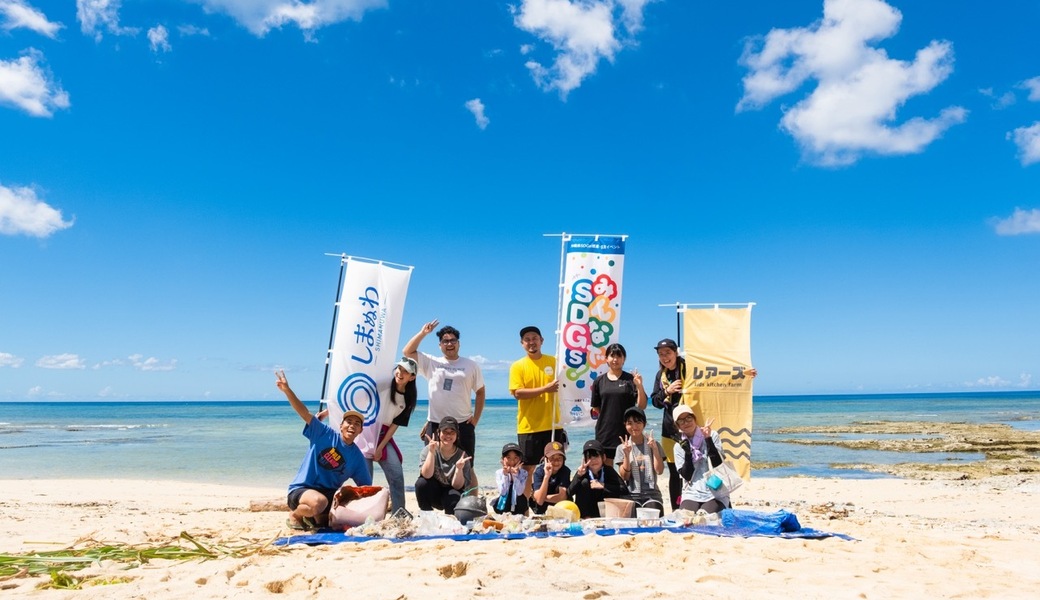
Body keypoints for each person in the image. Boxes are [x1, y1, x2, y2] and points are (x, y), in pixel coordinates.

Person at [276, 370, 372, 530]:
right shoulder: (324, 433)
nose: (352, 426)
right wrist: (287, 390)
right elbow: (303, 412)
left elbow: (365, 487)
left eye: (357, 424)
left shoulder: (357, 457)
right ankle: (296, 515)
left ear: (360, 431)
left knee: (332, 518)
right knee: (319, 502)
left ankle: (316, 518)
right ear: (341, 426)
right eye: (349, 421)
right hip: (302, 490)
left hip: (328, 496)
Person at [403, 320, 485, 461]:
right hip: (435, 423)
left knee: (466, 465)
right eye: (445, 341)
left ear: (459, 343)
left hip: (463, 423)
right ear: (440, 345)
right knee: (431, 464)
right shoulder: (432, 362)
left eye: (453, 340)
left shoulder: (471, 365)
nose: (449, 344)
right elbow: (407, 352)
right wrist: (423, 333)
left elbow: (480, 392)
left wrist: (476, 419)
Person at [508, 325, 564, 496]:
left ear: (542, 341)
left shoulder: (555, 361)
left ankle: (548, 502)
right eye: (527, 339)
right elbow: (518, 393)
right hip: (529, 426)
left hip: (553, 424)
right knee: (528, 468)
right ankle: (525, 504)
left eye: (534, 338)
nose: (531, 342)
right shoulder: (518, 366)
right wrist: (545, 389)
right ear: (522, 343)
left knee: (555, 466)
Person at [368, 357, 418, 514]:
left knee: (396, 474)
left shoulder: (408, 400)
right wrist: (329, 411)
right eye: (399, 368)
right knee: (365, 479)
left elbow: (393, 426)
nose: (400, 373)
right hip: (365, 433)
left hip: (383, 435)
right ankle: (365, 515)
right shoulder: (383, 385)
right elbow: (358, 399)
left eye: (406, 372)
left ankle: (399, 513)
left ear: (412, 377)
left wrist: (380, 447)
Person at [590, 343, 647, 466]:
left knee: (628, 469)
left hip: (628, 431)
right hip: (605, 432)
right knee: (607, 470)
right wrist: (609, 416)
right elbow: (596, 407)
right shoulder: (599, 381)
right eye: (612, 356)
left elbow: (642, 406)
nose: (615, 359)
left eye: (619, 356)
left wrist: (639, 386)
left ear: (624, 359)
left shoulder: (631, 380)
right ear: (606, 358)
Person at [649, 338, 685, 511]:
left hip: (690, 429)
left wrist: (742, 374)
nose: (665, 357)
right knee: (674, 472)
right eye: (661, 354)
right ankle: (676, 510)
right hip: (669, 430)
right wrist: (667, 391)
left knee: (694, 469)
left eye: (668, 353)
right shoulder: (660, 375)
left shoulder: (689, 368)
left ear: (676, 353)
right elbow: (655, 401)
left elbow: (712, 380)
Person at [672, 405, 728, 514]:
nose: (686, 423)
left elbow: (718, 465)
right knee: (685, 517)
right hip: (691, 492)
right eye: (681, 421)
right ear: (677, 425)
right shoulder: (679, 446)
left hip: (715, 491)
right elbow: (687, 476)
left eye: (689, 418)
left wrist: (708, 439)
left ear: (695, 419)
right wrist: (688, 453)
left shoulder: (712, 435)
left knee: (703, 516)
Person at [414, 416, 473, 514]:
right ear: (438, 432)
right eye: (445, 432)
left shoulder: (462, 456)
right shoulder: (428, 450)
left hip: (452, 494)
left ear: (457, 435)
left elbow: (458, 486)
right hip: (434, 492)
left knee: (452, 498)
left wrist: (459, 469)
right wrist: (431, 452)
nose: (448, 435)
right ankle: (427, 515)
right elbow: (426, 475)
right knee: (421, 484)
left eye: (452, 432)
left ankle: (451, 520)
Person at [613, 406, 665, 514]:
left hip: (652, 494)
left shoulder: (654, 444)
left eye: (638, 422)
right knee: (633, 514)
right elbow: (625, 477)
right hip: (631, 495)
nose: (634, 426)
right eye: (630, 423)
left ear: (644, 424)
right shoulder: (621, 448)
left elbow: (659, 471)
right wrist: (627, 455)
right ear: (625, 425)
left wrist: (655, 449)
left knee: (653, 512)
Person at [568, 440, 628, 518]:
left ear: (604, 457)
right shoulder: (582, 472)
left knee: (612, 488)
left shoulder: (608, 470)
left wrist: (603, 485)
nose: (593, 460)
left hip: (605, 512)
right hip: (586, 514)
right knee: (584, 482)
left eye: (596, 456)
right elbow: (569, 493)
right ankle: (585, 516)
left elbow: (624, 490)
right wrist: (578, 476)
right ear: (585, 460)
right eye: (589, 457)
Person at [531, 440, 571, 515]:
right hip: (542, 510)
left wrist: (543, 497)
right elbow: (539, 501)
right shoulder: (539, 472)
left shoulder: (565, 471)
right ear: (546, 459)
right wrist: (546, 476)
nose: (556, 462)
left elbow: (562, 497)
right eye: (552, 458)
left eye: (559, 458)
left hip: (560, 509)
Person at [492, 442, 529, 515]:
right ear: (503, 459)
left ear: (520, 459)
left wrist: (515, 476)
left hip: (518, 505)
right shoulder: (499, 473)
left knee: (521, 499)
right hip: (504, 504)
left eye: (515, 458)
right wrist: (505, 475)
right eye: (508, 458)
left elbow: (519, 492)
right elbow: (502, 492)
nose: (512, 461)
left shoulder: (523, 473)